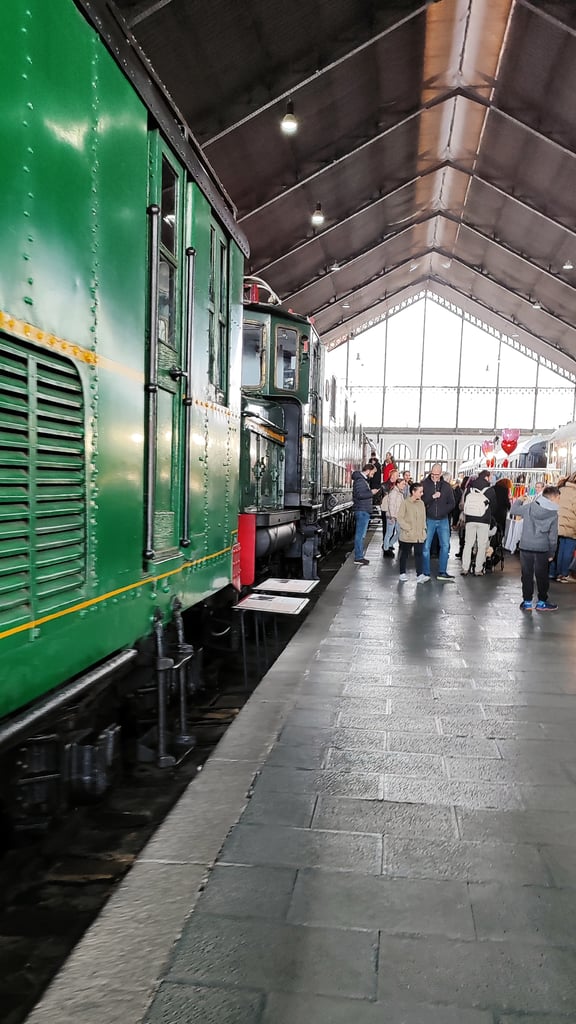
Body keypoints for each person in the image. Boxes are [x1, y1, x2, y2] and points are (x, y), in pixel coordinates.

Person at [511, 485, 561, 610]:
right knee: (542, 576)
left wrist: (520, 499)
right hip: (542, 548)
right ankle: (542, 602)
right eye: (558, 498)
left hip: (526, 546)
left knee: (526, 575)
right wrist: (552, 553)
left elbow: (513, 510)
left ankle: (527, 601)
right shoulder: (553, 514)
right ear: (553, 498)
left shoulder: (529, 507)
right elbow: (553, 537)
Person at [421, 464, 456, 580]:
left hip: (443, 520)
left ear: (441, 473)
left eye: (437, 474)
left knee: (445, 546)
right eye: (433, 474)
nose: (435, 477)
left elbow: (452, 503)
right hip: (429, 519)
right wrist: (432, 497)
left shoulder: (446, 487)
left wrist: (442, 511)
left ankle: (442, 572)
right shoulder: (424, 484)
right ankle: (425, 572)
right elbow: (421, 501)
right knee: (426, 546)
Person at [461, 470, 492, 576]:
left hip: (470, 519)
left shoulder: (470, 488)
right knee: (481, 545)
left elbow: (465, 501)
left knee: (468, 543)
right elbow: (495, 506)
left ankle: (465, 568)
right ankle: (478, 569)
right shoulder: (489, 489)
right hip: (484, 520)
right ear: (487, 477)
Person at [397, 482, 429, 583]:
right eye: (420, 491)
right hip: (408, 535)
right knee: (405, 554)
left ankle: (420, 575)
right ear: (413, 492)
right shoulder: (405, 503)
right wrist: (408, 528)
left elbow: (423, 518)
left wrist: (424, 530)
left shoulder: (421, 503)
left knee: (419, 554)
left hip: (419, 535)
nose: (422, 493)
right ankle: (402, 573)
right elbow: (400, 518)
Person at [351, 463, 378, 565]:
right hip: (362, 510)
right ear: (368, 470)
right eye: (373, 472)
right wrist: (372, 493)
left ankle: (359, 556)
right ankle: (358, 557)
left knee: (361, 534)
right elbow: (360, 494)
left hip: (363, 510)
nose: (373, 474)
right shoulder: (360, 481)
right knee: (360, 534)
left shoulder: (361, 480)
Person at [554, 472, 576, 578]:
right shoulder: (575, 492)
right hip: (571, 524)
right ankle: (564, 574)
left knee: (561, 549)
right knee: (569, 550)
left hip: (560, 522)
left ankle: (559, 573)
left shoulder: (562, 490)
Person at [383, 477, 405, 559]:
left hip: (397, 516)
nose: (404, 486)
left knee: (399, 532)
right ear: (398, 484)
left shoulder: (399, 493)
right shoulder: (394, 493)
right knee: (389, 533)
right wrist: (392, 516)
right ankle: (386, 548)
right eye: (403, 484)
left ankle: (389, 545)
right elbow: (391, 505)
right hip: (391, 516)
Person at [381, 469, 400, 555]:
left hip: (393, 510)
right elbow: (380, 497)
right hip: (386, 509)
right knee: (387, 529)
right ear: (392, 475)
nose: (398, 476)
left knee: (391, 530)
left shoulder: (396, 485)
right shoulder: (385, 485)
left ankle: (388, 545)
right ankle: (386, 547)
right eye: (396, 475)